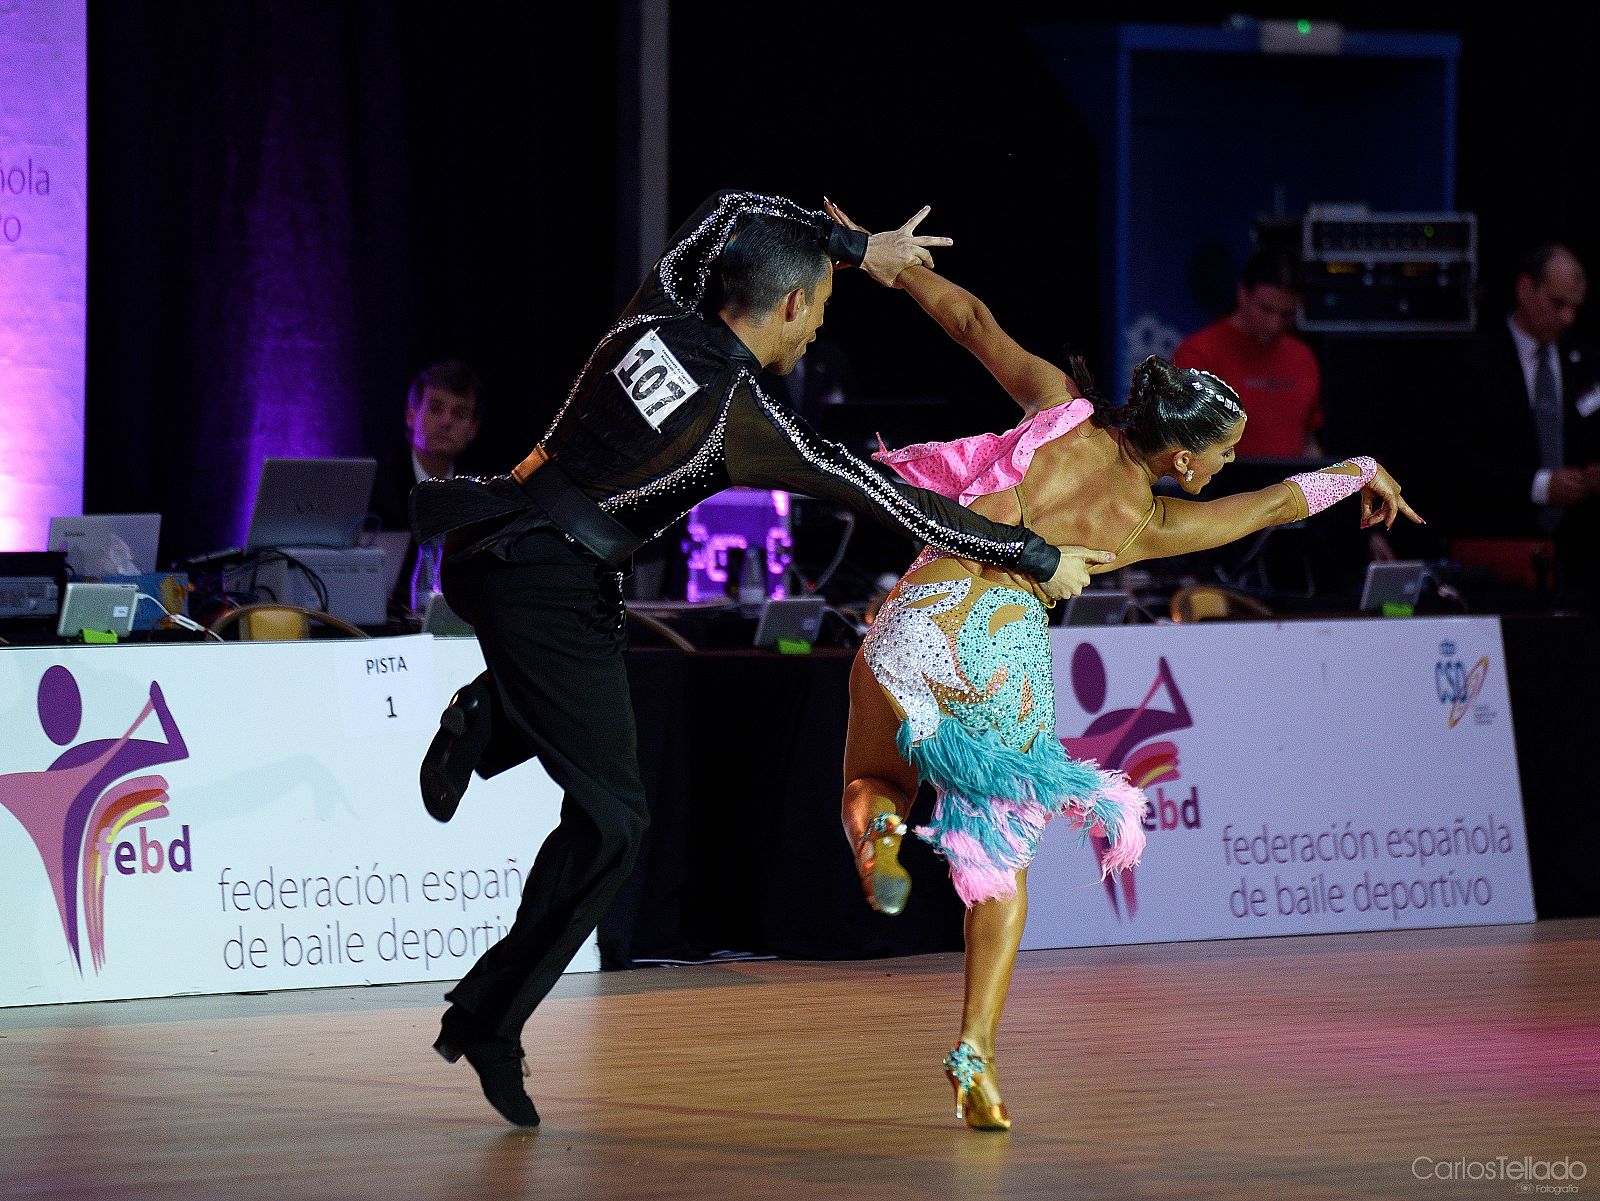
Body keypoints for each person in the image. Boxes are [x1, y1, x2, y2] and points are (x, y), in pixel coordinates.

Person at [405, 190, 1112, 1129]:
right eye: (819, 310)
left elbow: (732, 204)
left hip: (496, 539)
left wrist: (854, 247)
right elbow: (887, 498)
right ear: (787, 307)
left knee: (593, 733)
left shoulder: (656, 307)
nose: (817, 332)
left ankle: (491, 717)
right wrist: (1033, 555)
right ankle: (489, 1012)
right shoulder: (747, 416)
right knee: (616, 825)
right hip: (549, 587)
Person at [826, 201, 1420, 1132]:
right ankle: (974, 1050)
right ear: (1182, 455)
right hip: (1005, 649)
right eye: (1220, 455)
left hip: (923, 608)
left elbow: (973, 322)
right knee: (1001, 862)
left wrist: (876, 258)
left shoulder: (1058, 408)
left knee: (871, 775)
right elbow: (1269, 508)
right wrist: (1359, 470)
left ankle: (881, 844)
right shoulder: (1149, 522)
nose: (1225, 468)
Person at [1447, 243, 1600, 608]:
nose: (1567, 318)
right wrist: (1542, 486)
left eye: (1575, 308)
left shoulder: (1588, 362)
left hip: (1580, 551)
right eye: (1557, 303)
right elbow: (1459, 462)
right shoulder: (1475, 361)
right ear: (1525, 289)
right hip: (1501, 545)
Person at [1173, 246, 1323, 460]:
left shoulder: (1303, 357)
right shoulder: (1198, 353)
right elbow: (1182, 442)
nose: (1274, 324)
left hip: (1289, 489)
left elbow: (1310, 442)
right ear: (1243, 294)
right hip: (1220, 489)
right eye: (1266, 310)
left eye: (1286, 314)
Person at [368, 359, 483, 612]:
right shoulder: (373, 489)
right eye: (435, 408)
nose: (446, 422)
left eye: (459, 414)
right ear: (411, 415)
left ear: (473, 430)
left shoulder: (480, 497)